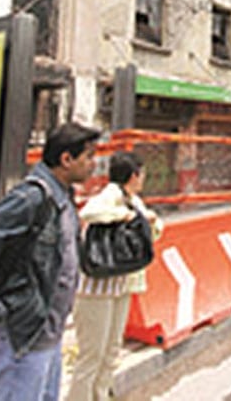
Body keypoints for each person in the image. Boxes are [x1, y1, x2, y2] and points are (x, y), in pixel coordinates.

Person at [0, 121, 100, 401]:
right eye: (88, 156)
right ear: (66, 159)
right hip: (23, 338)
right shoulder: (31, 198)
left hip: (47, 336)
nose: (94, 164)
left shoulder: (63, 198)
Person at [66, 152, 163, 401]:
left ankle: (100, 395)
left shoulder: (134, 201)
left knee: (111, 351)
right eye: (142, 174)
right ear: (134, 176)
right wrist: (125, 216)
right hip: (95, 287)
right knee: (92, 355)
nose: (143, 179)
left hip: (120, 284)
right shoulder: (111, 195)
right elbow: (89, 213)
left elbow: (154, 230)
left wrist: (147, 221)